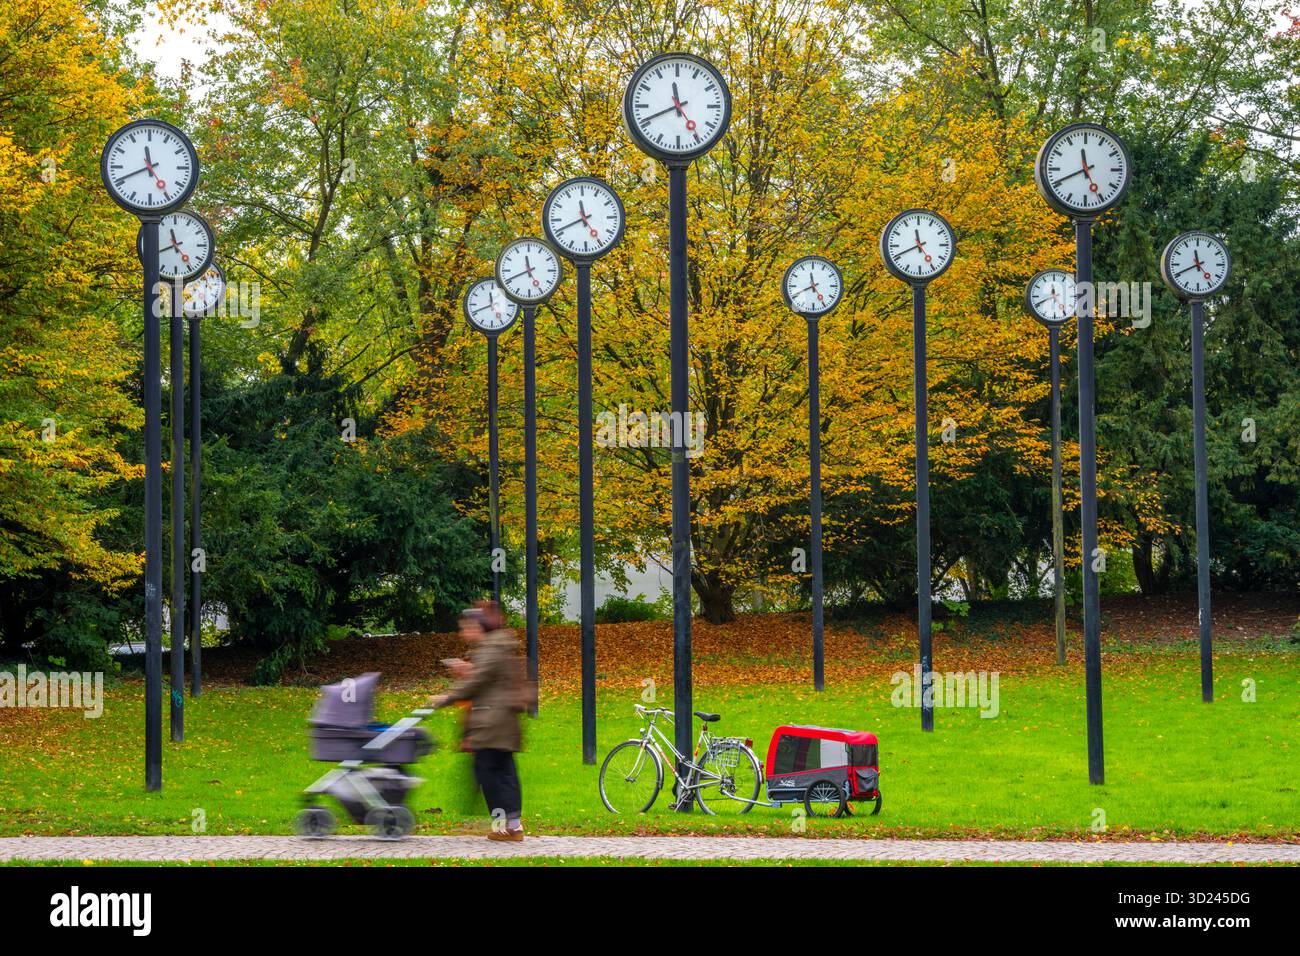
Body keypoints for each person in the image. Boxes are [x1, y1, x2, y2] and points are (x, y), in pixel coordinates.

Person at [427, 601, 532, 841]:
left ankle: (507, 827)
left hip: (492, 722)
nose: (463, 633)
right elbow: (486, 678)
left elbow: (477, 681)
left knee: (490, 774)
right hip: (501, 721)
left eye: (465, 628)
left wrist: (446, 698)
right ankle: (512, 825)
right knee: (503, 772)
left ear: (477, 627)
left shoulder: (491, 648)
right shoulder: (497, 645)